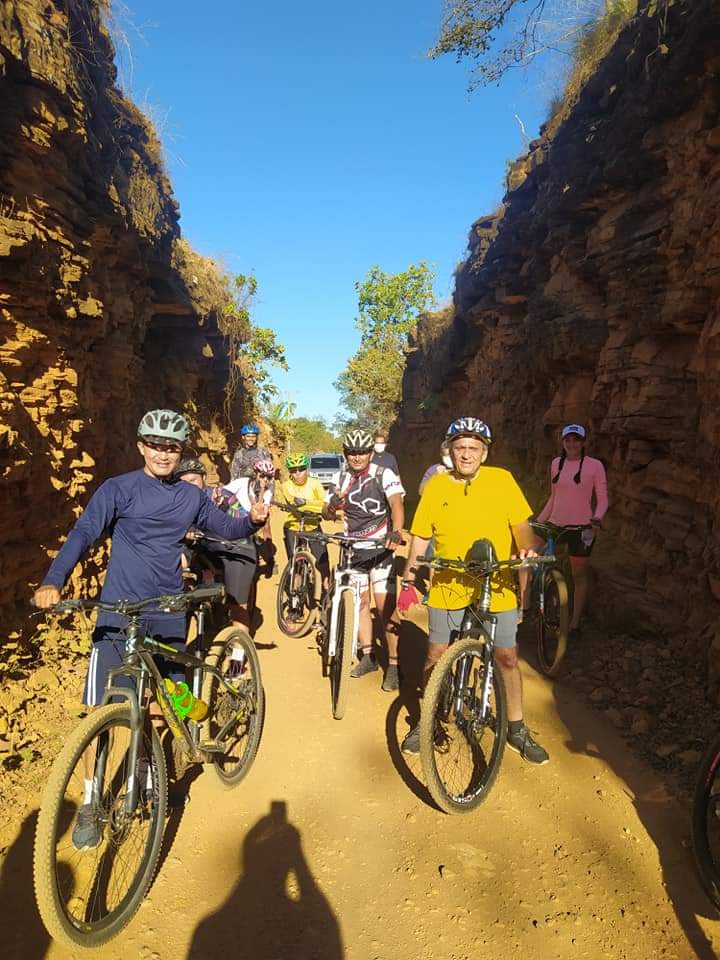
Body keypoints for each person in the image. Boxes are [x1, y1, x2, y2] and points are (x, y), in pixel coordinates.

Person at [32, 409, 269, 847]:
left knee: (163, 704)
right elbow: (84, 533)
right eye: (156, 444)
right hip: (117, 614)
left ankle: (148, 772)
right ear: (141, 446)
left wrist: (252, 520)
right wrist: (53, 580)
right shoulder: (118, 489)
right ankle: (90, 802)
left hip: (167, 611)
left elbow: (226, 529)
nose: (163, 453)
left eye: (172, 447)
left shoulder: (191, 497)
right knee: (101, 710)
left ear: (181, 453)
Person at [397, 416, 549, 765]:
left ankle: (516, 728)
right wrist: (408, 579)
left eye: (473, 448)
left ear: (484, 452)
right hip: (450, 581)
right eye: (460, 447)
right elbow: (420, 536)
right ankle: (429, 720)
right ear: (450, 451)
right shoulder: (436, 486)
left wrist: (526, 548)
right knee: (436, 654)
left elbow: (521, 525)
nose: (466, 454)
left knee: (507, 657)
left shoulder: (502, 481)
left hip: (496, 581)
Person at [324, 429, 405, 691]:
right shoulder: (341, 476)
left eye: (361, 452)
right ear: (345, 454)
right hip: (353, 550)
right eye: (351, 453)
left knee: (385, 609)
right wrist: (331, 505)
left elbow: (396, 505)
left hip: (381, 547)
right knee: (361, 603)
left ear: (371, 453)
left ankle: (393, 664)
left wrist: (396, 531)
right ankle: (368, 655)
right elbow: (327, 514)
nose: (357, 457)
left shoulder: (384, 474)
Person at [535, 423, 608, 642]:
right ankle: (526, 605)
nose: (572, 444)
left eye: (576, 440)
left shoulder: (595, 466)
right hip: (555, 524)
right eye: (568, 440)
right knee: (528, 554)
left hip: (581, 528)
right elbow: (553, 497)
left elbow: (603, 499)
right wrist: (538, 521)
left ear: (583, 442)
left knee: (578, 575)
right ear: (563, 442)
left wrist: (596, 520)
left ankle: (574, 623)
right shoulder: (556, 463)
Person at [218, 459, 276, 627]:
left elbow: (263, 515)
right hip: (232, 520)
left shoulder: (268, 490)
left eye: (268, 477)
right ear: (255, 473)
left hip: (249, 527)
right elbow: (223, 494)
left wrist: (268, 551)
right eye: (262, 475)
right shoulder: (242, 482)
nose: (264, 479)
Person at [278, 453, 329, 587]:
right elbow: (294, 503)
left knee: (323, 562)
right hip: (293, 526)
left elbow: (324, 505)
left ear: (307, 469)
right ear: (290, 472)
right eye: (294, 471)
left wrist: (306, 502)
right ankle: (294, 597)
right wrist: (314, 505)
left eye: (301, 469)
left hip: (312, 526)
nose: (298, 473)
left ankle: (326, 590)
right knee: (294, 562)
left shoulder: (315, 484)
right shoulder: (286, 486)